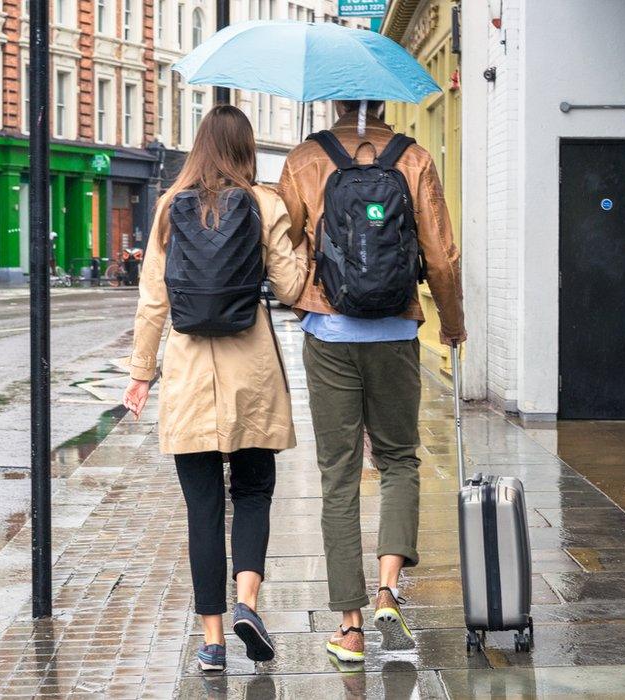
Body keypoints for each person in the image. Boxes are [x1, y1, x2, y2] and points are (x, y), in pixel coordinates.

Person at [277, 100, 466, 662]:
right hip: (395, 332)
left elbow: (283, 244)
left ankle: (351, 628)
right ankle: (388, 591)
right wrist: (452, 325)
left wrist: (301, 299)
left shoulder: (307, 159)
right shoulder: (415, 159)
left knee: (338, 475)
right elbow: (442, 256)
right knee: (399, 460)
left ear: (336, 103)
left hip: (330, 333)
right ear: (383, 104)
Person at [123, 105, 307, 673]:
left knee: (202, 509)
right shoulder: (265, 203)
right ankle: (247, 602)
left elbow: (153, 301)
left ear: (199, 146)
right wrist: (299, 238)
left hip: (188, 376)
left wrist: (139, 375)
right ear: (246, 149)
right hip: (250, 370)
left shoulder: (165, 209)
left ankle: (213, 642)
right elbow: (292, 285)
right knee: (253, 492)